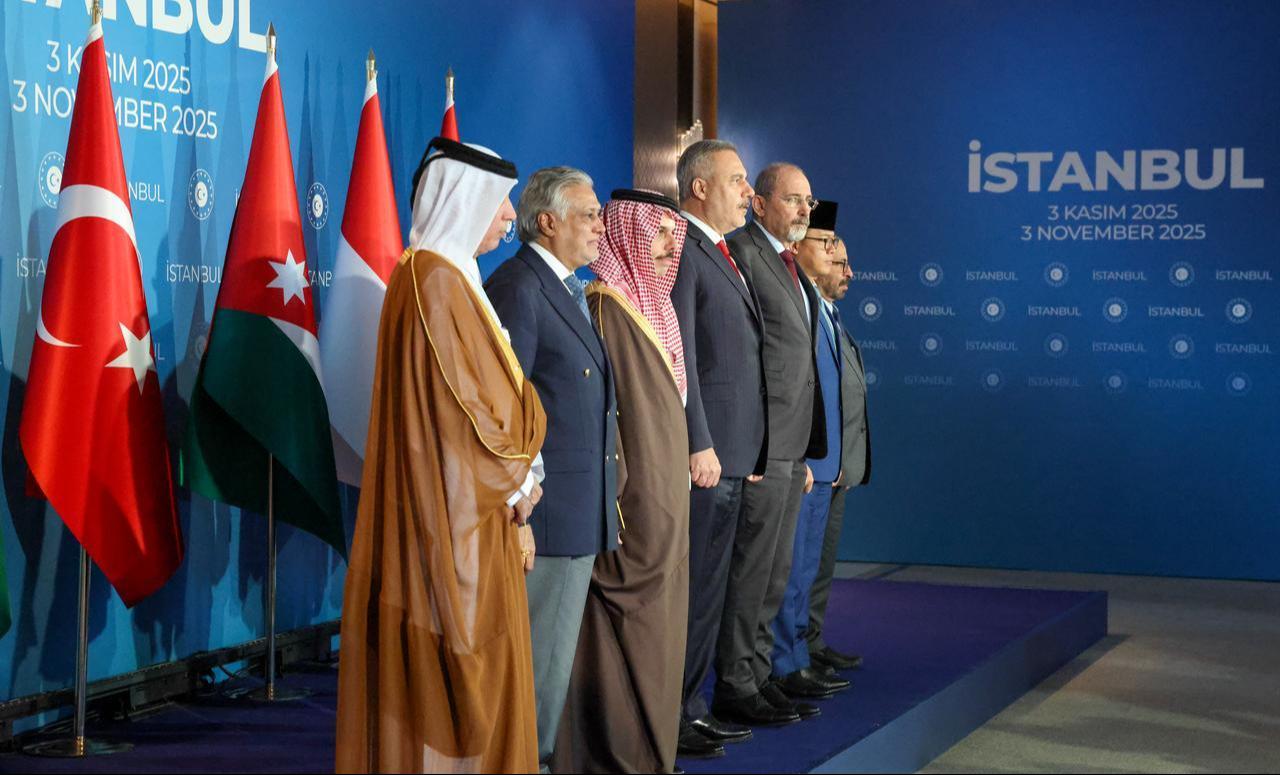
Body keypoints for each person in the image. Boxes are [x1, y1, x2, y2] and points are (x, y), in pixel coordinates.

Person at [336, 137, 544, 774]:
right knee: (455, 674)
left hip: (469, 510)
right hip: (460, 517)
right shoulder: (434, 281)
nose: (510, 217)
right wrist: (517, 483)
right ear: (464, 202)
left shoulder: (447, 276)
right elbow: (459, 416)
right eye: (500, 202)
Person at [485, 167, 620, 773]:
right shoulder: (520, 286)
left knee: (556, 664)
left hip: (577, 511)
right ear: (548, 222)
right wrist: (522, 507)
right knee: (538, 667)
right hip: (547, 513)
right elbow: (507, 405)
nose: (600, 226)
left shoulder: (566, 287)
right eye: (589, 214)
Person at [553, 189, 691, 773]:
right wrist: (628, 499)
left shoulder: (651, 305)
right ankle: (618, 754)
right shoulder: (606, 306)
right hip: (633, 507)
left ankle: (650, 749)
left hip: (665, 501)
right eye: (657, 232)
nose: (668, 247)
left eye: (672, 234)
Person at [714, 162, 830, 727]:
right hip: (761, 448)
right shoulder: (741, 252)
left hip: (790, 447)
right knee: (751, 571)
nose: (805, 210)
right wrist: (757, 446)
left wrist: (804, 448)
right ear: (759, 204)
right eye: (793, 199)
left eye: (808, 200)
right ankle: (735, 682)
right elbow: (744, 360)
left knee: (776, 574)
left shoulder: (792, 266)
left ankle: (759, 674)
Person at [670, 140, 773, 756]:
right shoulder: (684, 249)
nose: (745, 191)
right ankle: (676, 712)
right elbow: (682, 357)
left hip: (737, 454)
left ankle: (694, 704)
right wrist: (698, 442)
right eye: (736, 180)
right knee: (698, 590)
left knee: (712, 592)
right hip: (708, 458)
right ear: (700, 186)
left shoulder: (723, 252)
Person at [770, 201, 853, 698]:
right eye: (826, 243)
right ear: (797, 246)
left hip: (825, 461)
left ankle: (801, 651)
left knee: (807, 573)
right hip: (798, 459)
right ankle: (785, 661)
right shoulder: (791, 297)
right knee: (789, 573)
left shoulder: (821, 306)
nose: (835, 254)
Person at [806, 237, 871, 673]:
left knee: (822, 565)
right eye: (839, 262)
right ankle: (791, 653)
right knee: (800, 567)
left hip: (838, 466)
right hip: (812, 467)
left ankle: (809, 641)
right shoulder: (808, 315)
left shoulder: (833, 318)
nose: (849, 272)